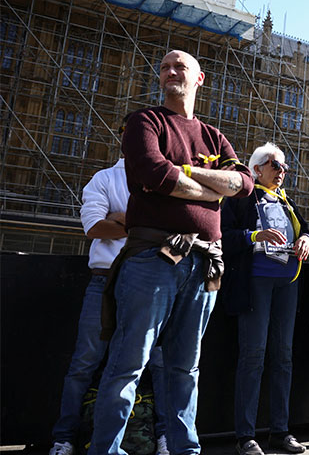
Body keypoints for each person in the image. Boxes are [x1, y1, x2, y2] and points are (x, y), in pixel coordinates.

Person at [90, 50, 254, 455]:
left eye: (179, 66)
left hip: (205, 264)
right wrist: (214, 189)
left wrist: (190, 171)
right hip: (153, 257)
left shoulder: (214, 136)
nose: (169, 71)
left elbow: (245, 184)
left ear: (200, 79)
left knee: (185, 369)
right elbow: (155, 173)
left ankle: (186, 450)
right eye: (164, 67)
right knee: (129, 363)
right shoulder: (146, 122)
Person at [50, 159, 169, 455]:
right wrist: (144, 227)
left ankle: (166, 436)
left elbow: (173, 232)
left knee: (159, 363)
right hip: (104, 282)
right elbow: (93, 227)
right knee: (84, 363)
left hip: (151, 282)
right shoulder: (104, 178)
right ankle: (64, 438)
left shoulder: (166, 181)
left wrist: (120, 220)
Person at [220, 144, 309, 455]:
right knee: (253, 357)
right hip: (255, 283)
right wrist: (254, 237)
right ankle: (245, 435)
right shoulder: (242, 197)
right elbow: (224, 235)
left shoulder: (286, 202)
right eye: (276, 165)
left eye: (285, 167)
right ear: (257, 169)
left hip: (287, 283)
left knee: (283, 358)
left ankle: (280, 431)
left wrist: (306, 240)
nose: (282, 171)